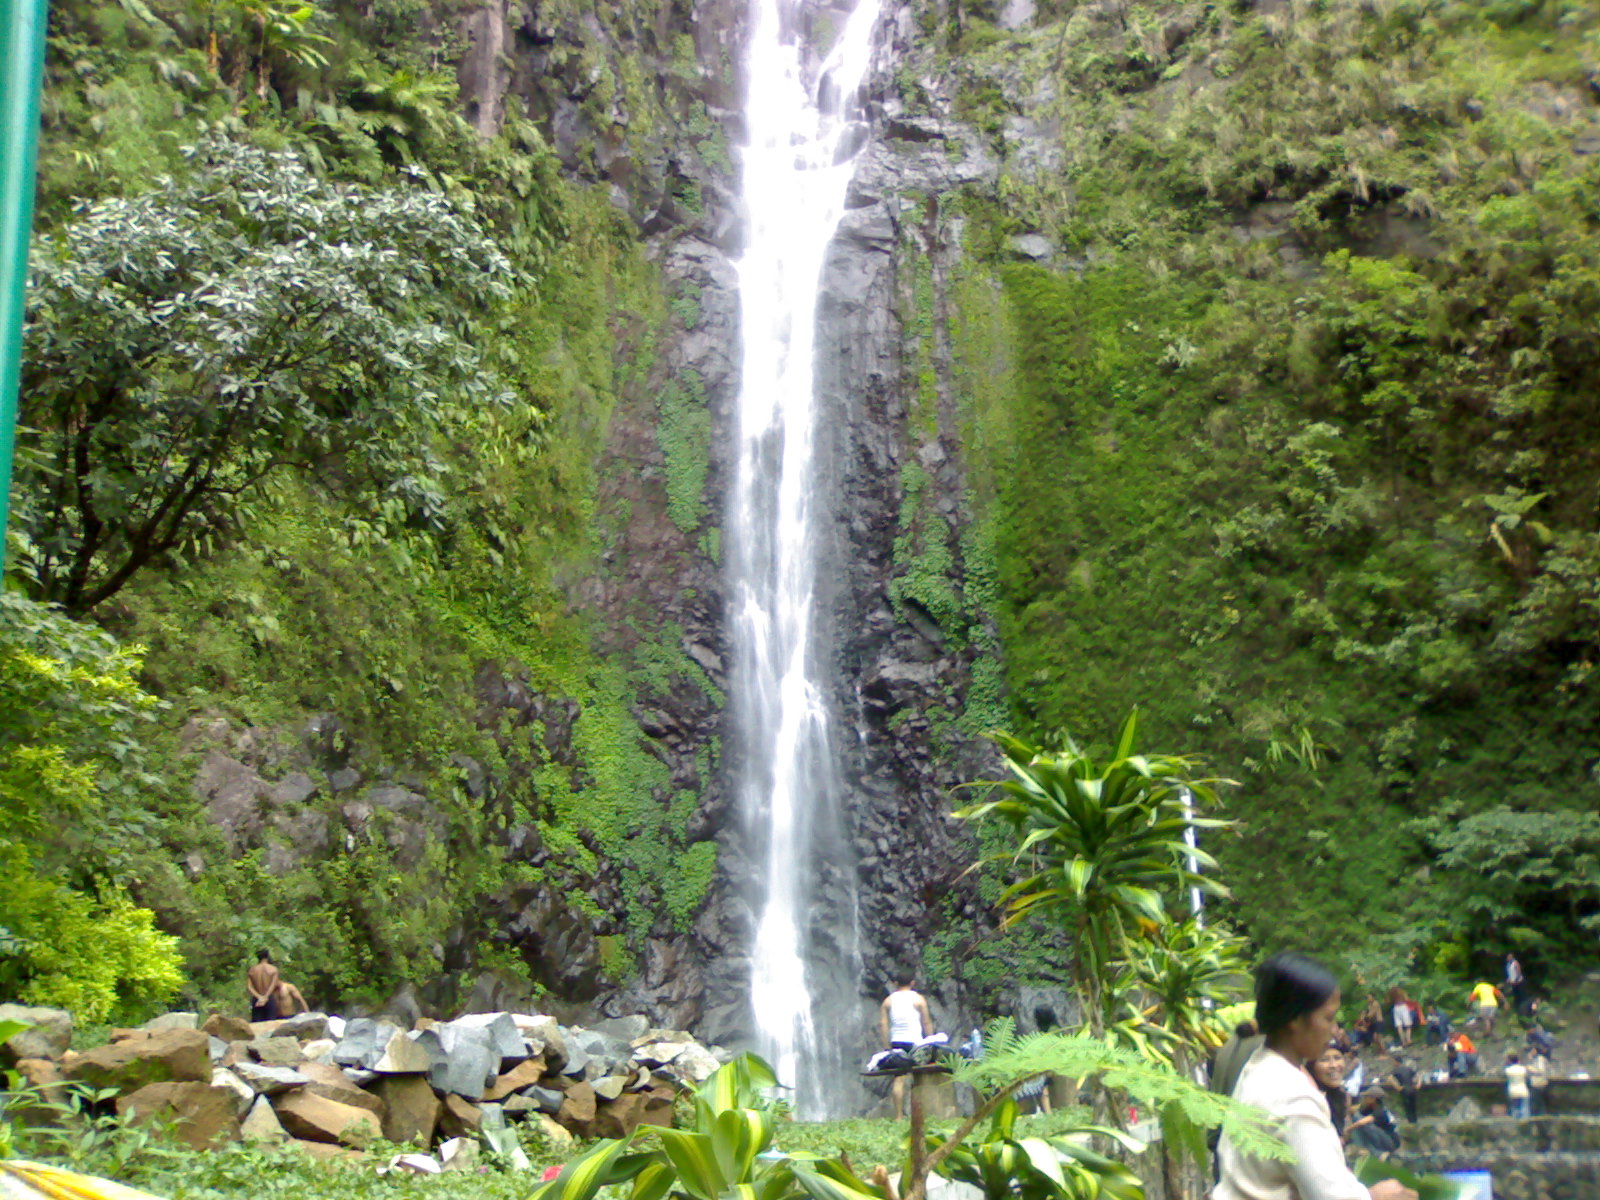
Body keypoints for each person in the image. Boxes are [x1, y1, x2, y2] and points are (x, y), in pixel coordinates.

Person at [1212, 952, 1416, 1200]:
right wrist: (1377, 1196)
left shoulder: (1258, 1068)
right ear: (1295, 1019)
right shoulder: (1292, 1098)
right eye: (1328, 1018)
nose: (1334, 1030)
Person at [879, 971, 933, 1121]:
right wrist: (930, 1042)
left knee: (899, 1079)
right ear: (913, 983)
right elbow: (926, 1022)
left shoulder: (888, 1001)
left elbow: (883, 1024)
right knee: (919, 1076)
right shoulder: (918, 999)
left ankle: (898, 1116)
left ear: (896, 983)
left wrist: (887, 1047)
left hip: (897, 1042)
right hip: (915, 1042)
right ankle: (920, 1114)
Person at [1347, 1088, 1400, 1156]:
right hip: (1381, 1137)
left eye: (1366, 1097)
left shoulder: (1381, 1111)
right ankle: (1364, 1149)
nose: (1364, 1098)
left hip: (1390, 1142)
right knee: (1357, 1119)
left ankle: (1366, 1150)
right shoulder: (1371, 1108)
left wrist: (1347, 1130)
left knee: (1362, 1123)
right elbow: (1352, 1110)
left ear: (1373, 1099)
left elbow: (1361, 1122)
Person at [1310, 1043, 1349, 1137]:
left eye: (1337, 1058)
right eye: (1324, 1060)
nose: (1333, 1065)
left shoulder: (1341, 1096)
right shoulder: (1310, 1101)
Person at [246, 949, 281, 1022]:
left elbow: (249, 987)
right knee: (271, 1023)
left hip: (257, 999)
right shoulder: (273, 969)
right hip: (269, 998)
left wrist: (259, 997)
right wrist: (265, 997)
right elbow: (273, 985)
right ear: (267, 957)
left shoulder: (252, 970)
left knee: (257, 1023)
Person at [1385, 1054, 1419, 1124]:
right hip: (1412, 1088)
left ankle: (1411, 1122)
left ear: (1396, 1062)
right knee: (1413, 1106)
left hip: (1404, 1089)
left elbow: (1390, 1079)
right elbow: (1418, 1075)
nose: (1392, 1063)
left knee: (1407, 1106)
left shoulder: (1396, 1070)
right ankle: (1415, 1121)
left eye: (1393, 1062)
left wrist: (1397, 1087)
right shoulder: (1408, 1068)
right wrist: (1418, 1084)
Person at [1504, 1053, 1530, 1119]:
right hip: (1523, 1090)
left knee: (1515, 1109)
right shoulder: (1523, 1069)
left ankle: (1515, 1122)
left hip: (1513, 1091)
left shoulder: (1508, 1070)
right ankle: (1525, 1122)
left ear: (1509, 1061)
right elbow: (1527, 1077)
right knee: (1524, 1109)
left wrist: (1506, 1065)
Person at [1528, 1047, 1551, 1116]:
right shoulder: (1535, 1059)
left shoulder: (1540, 1059)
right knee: (1536, 1103)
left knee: (1537, 1103)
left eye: (1532, 1050)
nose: (1531, 1052)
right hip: (1536, 1084)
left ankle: (1541, 1117)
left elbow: (1541, 1070)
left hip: (1539, 1084)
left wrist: (1530, 1068)